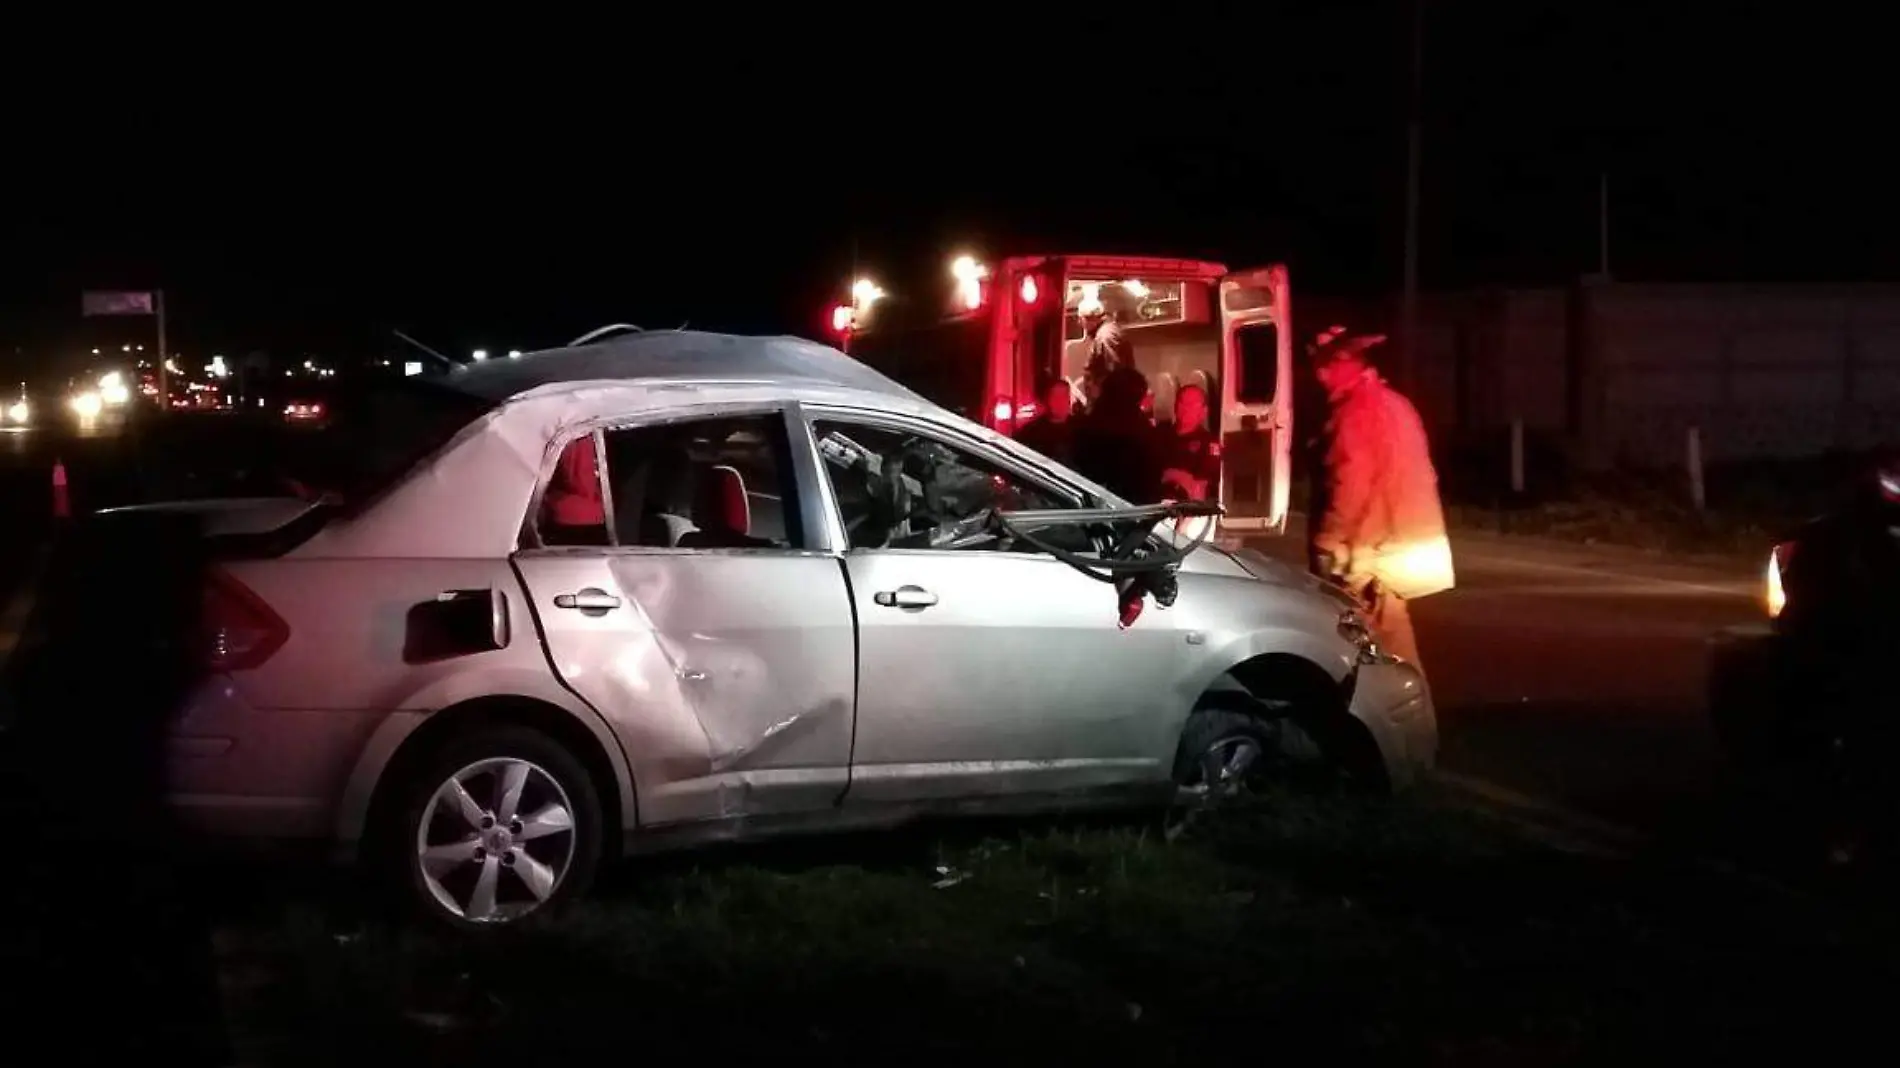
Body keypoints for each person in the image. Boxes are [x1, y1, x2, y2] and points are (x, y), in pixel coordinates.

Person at [1309, 331, 1453, 668]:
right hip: (1402, 548)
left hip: (1375, 556)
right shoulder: (1395, 403)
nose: (1319, 377)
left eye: (1324, 367)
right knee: (1388, 643)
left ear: (1344, 365)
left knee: (1380, 651)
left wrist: (1327, 541)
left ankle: (1401, 717)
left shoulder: (1354, 413)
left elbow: (1350, 485)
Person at [1157, 382, 1220, 500]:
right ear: (1176, 405)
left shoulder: (1209, 444)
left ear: (1204, 411)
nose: (1186, 408)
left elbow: (1200, 488)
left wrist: (1173, 475)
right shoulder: (1159, 435)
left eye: (1192, 404)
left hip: (1187, 508)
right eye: (1183, 402)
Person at [1014, 378, 1079, 467]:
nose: (1059, 401)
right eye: (1055, 396)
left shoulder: (1081, 430)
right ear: (1047, 399)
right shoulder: (1031, 432)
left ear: (1069, 400)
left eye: (1063, 396)